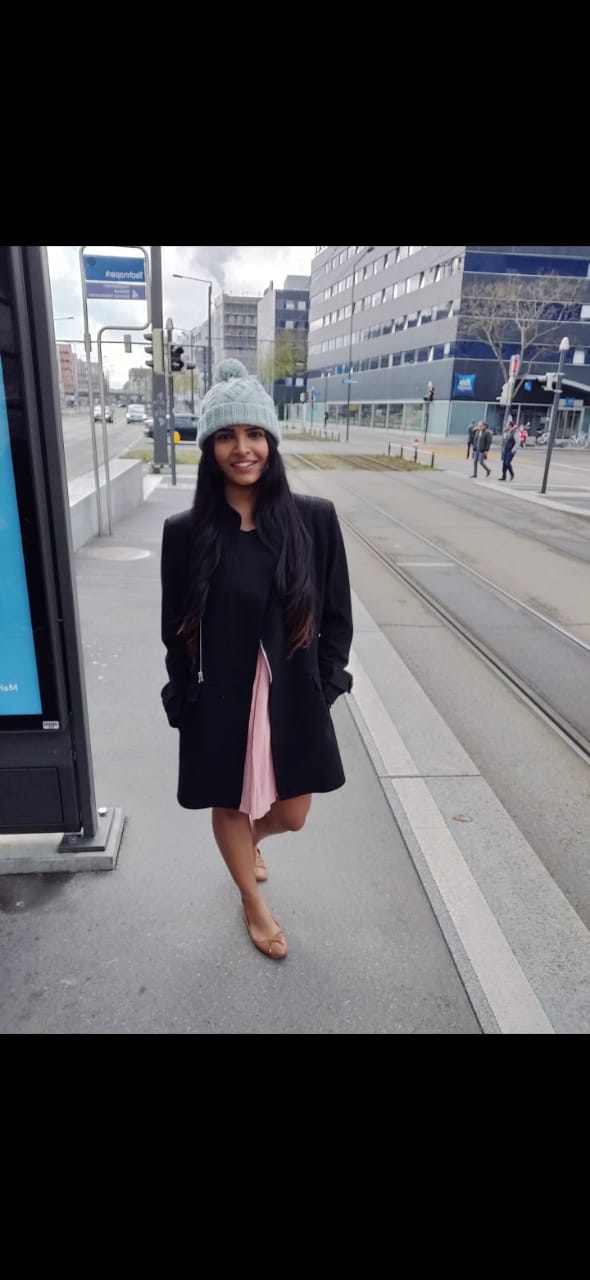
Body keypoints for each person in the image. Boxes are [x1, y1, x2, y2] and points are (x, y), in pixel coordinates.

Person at [160, 358, 353, 961]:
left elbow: (338, 617)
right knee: (229, 801)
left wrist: (325, 687)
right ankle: (251, 900)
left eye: (253, 434)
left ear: (271, 440)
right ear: (208, 448)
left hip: (292, 696)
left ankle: (250, 843)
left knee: (292, 813)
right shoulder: (185, 532)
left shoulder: (314, 520)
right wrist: (182, 697)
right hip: (219, 697)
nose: (242, 449)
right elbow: (175, 627)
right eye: (225, 436)